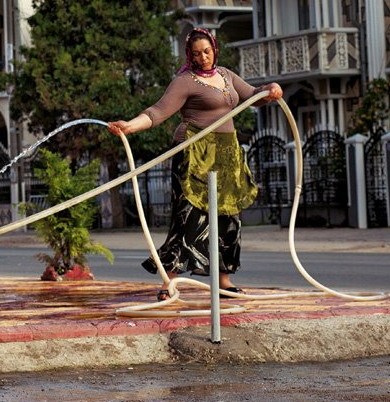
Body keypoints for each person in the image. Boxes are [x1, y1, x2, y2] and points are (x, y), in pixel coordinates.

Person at [108, 27, 282, 297]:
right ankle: (170, 282)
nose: (203, 58)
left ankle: (224, 282)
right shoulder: (184, 81)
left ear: (214, 49)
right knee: (188, 217)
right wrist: (130, 126)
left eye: (207, 51)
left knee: (228, 218)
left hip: (226, 155)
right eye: (196, 54)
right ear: (189, 56)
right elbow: (158, 111)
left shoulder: (226, 75)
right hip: (194, 153)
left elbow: (253, 96)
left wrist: (270, 90)